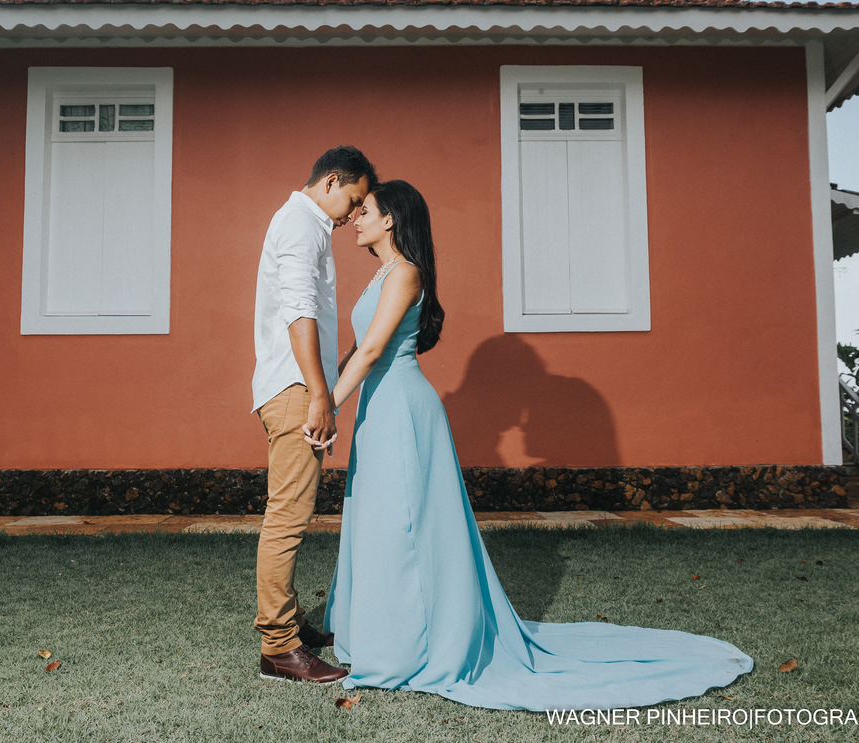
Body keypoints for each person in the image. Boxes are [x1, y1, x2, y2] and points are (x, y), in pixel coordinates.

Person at [317, 180, 754, 710]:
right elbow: (356, 351)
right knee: (379, 519)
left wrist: (327, 407)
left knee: (404, 525)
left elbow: (371, 352)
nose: (356, 218)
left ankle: (409, 646)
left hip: (403, 410)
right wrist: (323, 394)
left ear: (391, 219)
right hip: (378, 406)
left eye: (366, 211)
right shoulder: (380, 274)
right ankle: (380, 634)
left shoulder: (406, 272)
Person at [251, 146, 377, 684]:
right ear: (330, 182)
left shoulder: (307, 225)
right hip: (297, 390)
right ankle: (279, 648)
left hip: (299, 385)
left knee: (292, 516)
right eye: (353, 199)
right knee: (287, 519)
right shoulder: (300, 225)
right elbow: (299, 310)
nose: (354, 213)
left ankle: (291, 627)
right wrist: (320, 395)